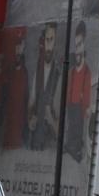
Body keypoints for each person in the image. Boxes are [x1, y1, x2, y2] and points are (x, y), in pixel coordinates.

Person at [28, 21, 62, 151]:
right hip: (35, 143)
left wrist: (51, 120)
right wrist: (30, 118)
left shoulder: (57, 76)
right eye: (47, 39)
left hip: (48, 147)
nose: (48, 44)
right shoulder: (38, 72)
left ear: (55, 41)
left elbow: (58, 126)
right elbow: (31, 102)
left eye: (51, 39)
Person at [64, 21, 92, 163]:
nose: (77, 50)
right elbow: (66, 112)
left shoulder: (87, 75)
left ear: (84, 43)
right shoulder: (71, 74)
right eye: (76, 46)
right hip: (68, 141)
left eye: (79, 45)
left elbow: (87, 116)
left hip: (78, 145)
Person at [1, 28, 29, 150]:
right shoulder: (10, 71)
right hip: (8, 124)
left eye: (20, 45)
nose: (18, 49)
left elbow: (26, 98)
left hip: (19, 124)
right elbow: (4, 96)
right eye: (16, 45)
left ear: (23, 47)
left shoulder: (25, 73)